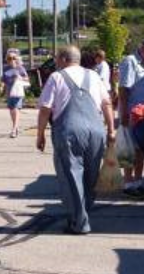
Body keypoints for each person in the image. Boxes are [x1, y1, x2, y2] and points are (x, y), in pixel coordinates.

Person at [36, 45, 115, 235]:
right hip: (96, 130)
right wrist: (111, 130)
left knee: (71, 175)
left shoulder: (57, 77)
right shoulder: (94, 76)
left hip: (69, 130)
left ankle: (79, 222)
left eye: (56, 59)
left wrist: (40, 134)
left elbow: (46, 108)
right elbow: (107, 103)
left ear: (63, 59)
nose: (56, 62)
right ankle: (83, 213)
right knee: (91, 175)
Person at [117, 37, 144, 197]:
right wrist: (124, 114)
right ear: (142, 48)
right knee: (130, 149)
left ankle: (138, 182)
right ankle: (128, 184)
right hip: (132, 113)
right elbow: (123, 89)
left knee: (141, 149)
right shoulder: (130, 61)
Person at [2, 51, 29, 138]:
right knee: (11, 109)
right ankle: (15, 126)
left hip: (18, 91)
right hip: (9, 92)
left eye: (13, 58)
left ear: (17, 59)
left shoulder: (20, 68)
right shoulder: (6, 68)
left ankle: (14, 129)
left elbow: (27, 79)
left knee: (16, 109)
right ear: (7, 60)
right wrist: (1, 87)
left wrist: (20, 77)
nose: (11, 60)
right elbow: (3, 79)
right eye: (9, 58)